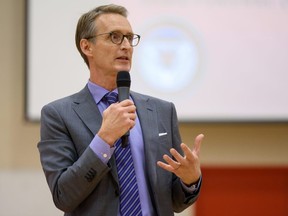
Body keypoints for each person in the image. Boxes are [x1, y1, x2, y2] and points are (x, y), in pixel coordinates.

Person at [38, 4, 204, 216]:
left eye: (129, 37)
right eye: (114, 37)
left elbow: (173, 202)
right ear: (87, 46)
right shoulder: (58, 115)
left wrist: (190, 180)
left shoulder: (162, 111)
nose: (126, 45)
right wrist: (104, 139)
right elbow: (64, 196)